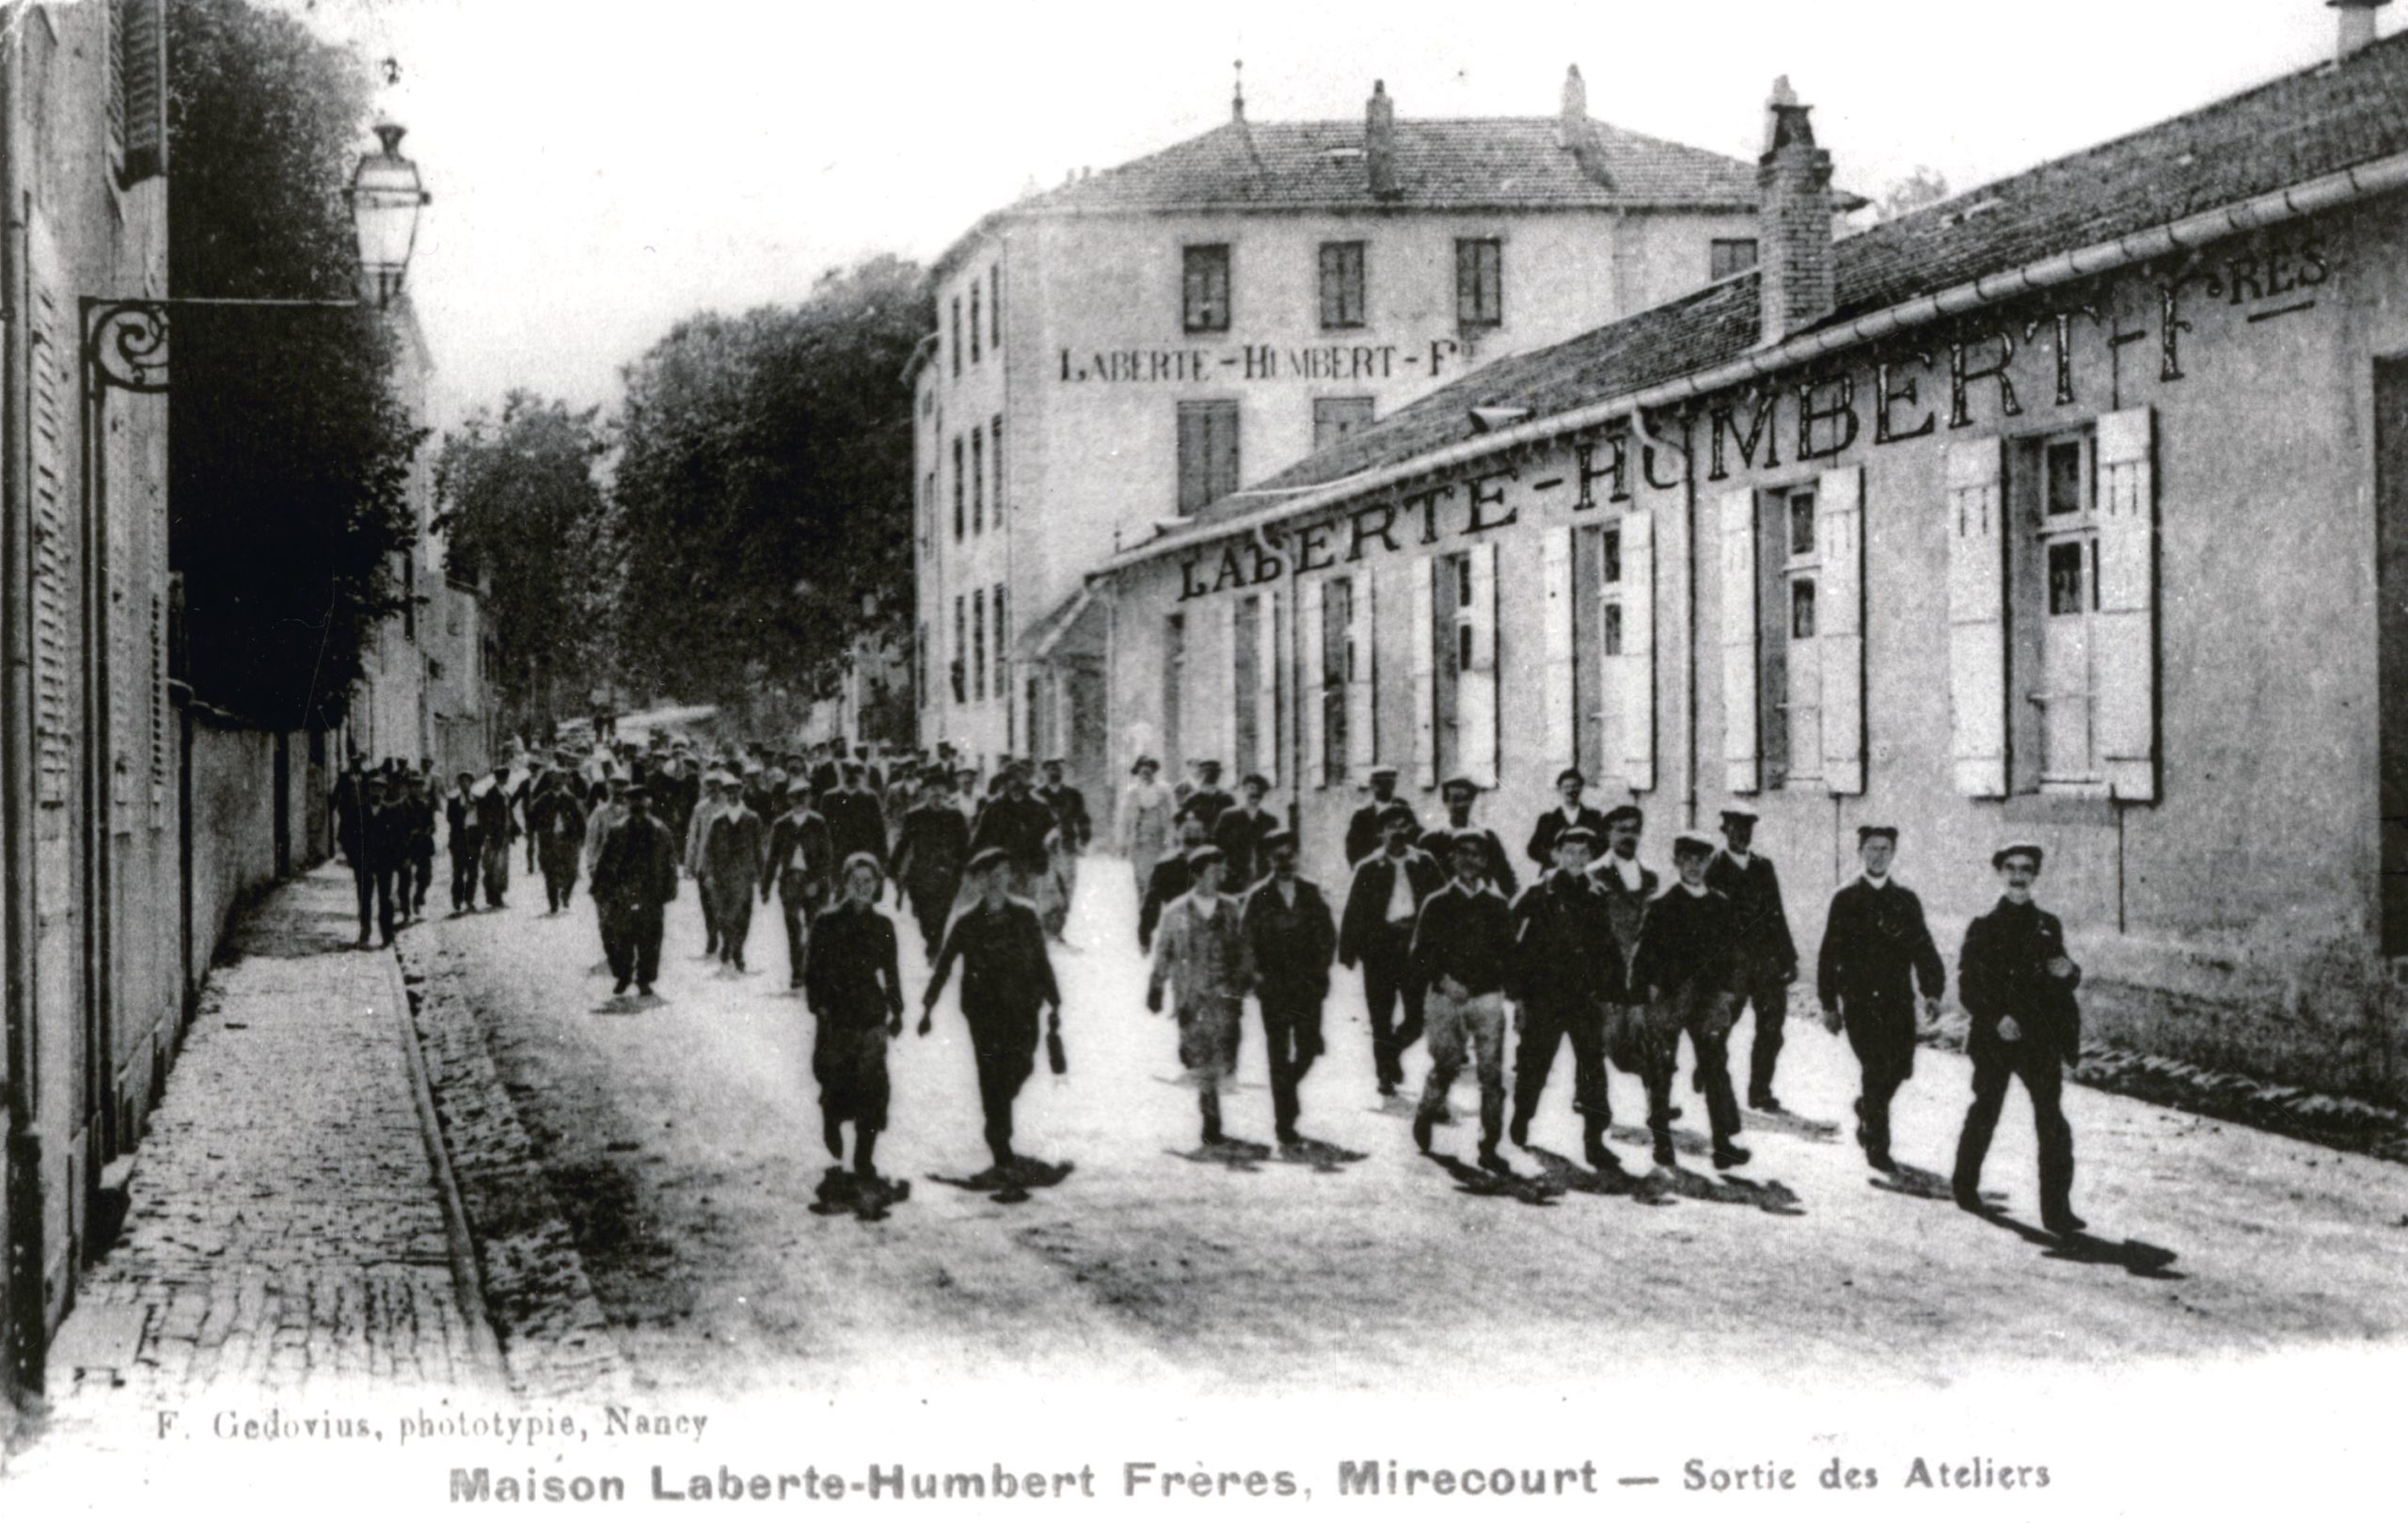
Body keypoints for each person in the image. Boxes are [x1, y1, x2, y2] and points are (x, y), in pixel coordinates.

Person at [1953, 844, 2085, 1233]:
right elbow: (1967, 986)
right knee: (1986, 1111)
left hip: (2039, 1038)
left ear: (2035, 875)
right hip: (1995, 1039)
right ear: (1999, 873)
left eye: (2026, 869)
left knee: (2052, 1123)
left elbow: (2062, 976)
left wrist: (2070, 971)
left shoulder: (2048, 924)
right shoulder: (1983, 926)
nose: (2017, 875)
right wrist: (1996, 1018)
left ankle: (2057, 1212)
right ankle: (1964, 1187)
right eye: (2010, 868)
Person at [921, 847, 1062, 1173]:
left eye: (1001, 875)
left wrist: (1055, 1001)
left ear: (1009, 877)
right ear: (979, 882)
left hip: (1023, 1007)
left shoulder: (1026, 916)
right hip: (983, 1011)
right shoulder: (967, 921)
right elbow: (944, 965)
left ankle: (999, 1114)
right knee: (990, 1075)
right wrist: (928, 1007)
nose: (996, 883)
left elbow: (1041, 960)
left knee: (1021, 1065)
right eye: (989, 877)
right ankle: (1000, 1139)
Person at [1816, 825, 1945, 1173]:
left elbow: (1923, 947)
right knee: (1875, 1068)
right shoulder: (1845, 899)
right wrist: (1829, 1004)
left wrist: (1932, 991)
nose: (1878, 855)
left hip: (1897, 1001)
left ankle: (1867, 1109)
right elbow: (1829, 954)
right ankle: (1878, 1144)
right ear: (1860, 852)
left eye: (1884, 849)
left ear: (1893, 853)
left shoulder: (1905, 900)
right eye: (1871, 848)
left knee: (1900, 1067)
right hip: (1859, 1002)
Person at [1632, 833, 1749, 1170]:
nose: (1695, 867)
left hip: (1708, 999)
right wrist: (1645, 995)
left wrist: (1728, 994)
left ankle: (1723, 1146)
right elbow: (1642, 956)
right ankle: (1662, 1141)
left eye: (1701, 860)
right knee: (1662, 1068)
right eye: (1688, 860)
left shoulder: (1721, 904)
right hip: (1670, 997)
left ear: (1709, 863)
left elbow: (1733, 955)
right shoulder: (1661, 904)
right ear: (1677, 863)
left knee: (1713, 1067)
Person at [1507, 824, 1622, 1170]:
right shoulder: (1538, 891)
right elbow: (1510, 939)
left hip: (1584, 998)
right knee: (1534, 1065)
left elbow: (1607, 948)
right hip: (1543, 996)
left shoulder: (1597, 893)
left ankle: (1594, 1141)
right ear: (1556, 854)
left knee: (1592, 1069)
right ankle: (1521, 1119)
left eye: (1583, 852)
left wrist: (1614, 993)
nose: (1576, 858)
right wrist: (1518, 996)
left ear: (1590, 856)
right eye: (1569, 851)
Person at [1407, 833, 1516, 1168]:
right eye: (1463, 854)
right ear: (1452, 859)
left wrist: (1506, 991)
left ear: (1486, 861)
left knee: (1491, 1073)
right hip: (1446, 998)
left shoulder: (1497, 905)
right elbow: (1419, 956)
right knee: (1446, 1064)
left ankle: (1490, 1142)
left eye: (1478, 855)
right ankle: (1426, 1114)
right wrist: (1443, 980)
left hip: (1486, 999)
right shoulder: (1437, 902)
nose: (1471, 861)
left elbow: (1509, 955)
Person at [804, 854, 907, 1182]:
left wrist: (898, 1010)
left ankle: (864, 1157)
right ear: (845, 883)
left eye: (869, 882)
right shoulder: (826, 921)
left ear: (877, 886)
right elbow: (813, 971)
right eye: (856, 881)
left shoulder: (883, 926)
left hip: (871, 1014)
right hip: (836, 1016)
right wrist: (818, 1006)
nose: (863, 887)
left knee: (874, 1089)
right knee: (836, 1083)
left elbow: (891, 974)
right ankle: (831, 1123)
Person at [1147, 844, 1255, 1147]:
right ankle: (1211, 1118)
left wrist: (1245, 981)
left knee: (1224, 1054)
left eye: (1221, 871)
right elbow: (1164, 951)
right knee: (1199, 1054)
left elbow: (1244, 949)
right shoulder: (1176, 911)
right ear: (1196, 875)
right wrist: (1155, 986)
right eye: (1211, 871)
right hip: (1191, 998)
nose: (1218, 877)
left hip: (1225, 997)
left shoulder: (1231, 908)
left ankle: (1212, 1108)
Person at [1337, 803, 1445, 1099]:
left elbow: (1443, 904)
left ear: (1409, 829)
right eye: (1390, 826)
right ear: (1380, 833)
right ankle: (1384, 1074)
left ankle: (1391, 1054)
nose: (1397, 832)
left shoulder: (1424, 862)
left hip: (1415, 948)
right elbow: (1353, 911)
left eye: (1402, 825)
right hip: (1380, 950)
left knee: (1416, 1019)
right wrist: (1347, 951)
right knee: (1380, 1016)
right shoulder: (1368, 867)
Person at [1240, 829, 1335, 1147]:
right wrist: (1256, 975)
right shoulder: (1258, 896)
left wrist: (1322, 967)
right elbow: (1247, 940)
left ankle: (1287, 1091)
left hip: (1308, 983)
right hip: (1275, 986)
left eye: (1289, 856)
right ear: (1268, 860)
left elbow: (1327, 934)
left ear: (1297, 857)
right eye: (1277, 857)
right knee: (1278, 1053)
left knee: (1308, 1049)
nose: (1284, 863)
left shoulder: (1310, 891)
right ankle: (1284, 1121)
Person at [1706, 809, 1800, 1113]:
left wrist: (1788, 958)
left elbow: (1777, 913)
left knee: (1772, 1028)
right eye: (1736, 829)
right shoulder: (1714, 868)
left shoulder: (1764, 867)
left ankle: (1760, 1091)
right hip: (1731, 964)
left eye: (1747, 830)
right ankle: (1708, 1070)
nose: (1742, 835)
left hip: (1766, 962)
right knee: (1722, 1023)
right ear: (1725, 830)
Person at [1589, 802, 1657, 1098]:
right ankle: (1587, 1098)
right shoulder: (1594, 874)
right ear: (1608, 833)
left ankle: (1657, 1103)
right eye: (1622, 830)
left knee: (1646, 1039)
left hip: (1639, 971)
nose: (1629, 836)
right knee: (1603, 1043)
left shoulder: (1650, 878)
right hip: (1605, 972)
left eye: (1634, 830)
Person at [592, 785, 679, 997]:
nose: (637, 805)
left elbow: (670, 862)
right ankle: (623, 975)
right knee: (621, 937)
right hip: (623, 891)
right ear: (627, 804)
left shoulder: (660, 830)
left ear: (647, 803)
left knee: (650, 938)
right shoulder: (617, 829)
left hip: (651, 892)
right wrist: (600, 888)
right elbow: (604, 861)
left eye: (640, 800)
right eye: (632, 801)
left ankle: (644, 979)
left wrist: (669, 889)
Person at [761, 785, 836, 991]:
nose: (800, 801)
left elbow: (827, 858)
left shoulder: (818, 823)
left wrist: (818, 882)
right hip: (790, 883)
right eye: (796, 797)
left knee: (815, 928)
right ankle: (797, 971)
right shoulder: (781, 825)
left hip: (815, 883)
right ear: (789, 800)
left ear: (810, 799)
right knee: (793, 930)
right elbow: (772, 858)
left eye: (804, 797)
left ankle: (812, 970)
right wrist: (765, 887)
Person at [889, 771, 971, 958]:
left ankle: (935, 947)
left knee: (942, 913)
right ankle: (931, 940)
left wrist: (964, 868)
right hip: (920, 875)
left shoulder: (956, 816)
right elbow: (903, 844)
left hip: (947, 875)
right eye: (933, 794)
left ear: (946, 795)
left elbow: (964, 846)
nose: (937, 799)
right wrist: (892, 869)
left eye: (941, 795)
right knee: (923, 915)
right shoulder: (914, 815)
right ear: (925, 794)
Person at [699, 773, 768, 973]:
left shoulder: (752, 819)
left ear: (742, 791)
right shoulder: (717, 820)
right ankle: (728, 942)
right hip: (721, 876)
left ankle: (737, 949)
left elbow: (758, 850)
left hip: (744, 876)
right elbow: (708, 850)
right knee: (722, 915)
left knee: (743, 916)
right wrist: (708, 874)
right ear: (724, 794)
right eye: (728, 792)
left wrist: (762, 877)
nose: (732, 795)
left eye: (736, 791)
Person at [968, 764, 1056, 907]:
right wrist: (971, 865)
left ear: (1026, 783)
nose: (1015, 785)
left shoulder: (1039, 807)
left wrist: (1051, 839)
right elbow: (980, 839)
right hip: (1003, 869)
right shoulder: (994, 808)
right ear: (1004, 783)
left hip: (1032, 867)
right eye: (1010, 780)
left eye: (1019, 780)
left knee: (1030, 908)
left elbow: (1052, 829)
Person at [1422, 776, 1518, 899]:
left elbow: (1506, 879)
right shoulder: (1431, 841)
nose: (1461, 805)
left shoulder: (1488, 837)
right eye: (1456, 799)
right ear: (1446, 802)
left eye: (1466, 799)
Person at [1137, 812, 1210, 953]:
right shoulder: (1166, 866)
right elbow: (1152, 904)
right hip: (1179, 930)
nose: (1193, 837)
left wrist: (1144, 937)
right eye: (1189, 834)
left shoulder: (1214, 864)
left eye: (1196, 833)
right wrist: (1145, 935)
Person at [1036, 758, 1091, 939]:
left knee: (1067, 886)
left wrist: (1084, 837)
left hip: (1067, 845)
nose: (1054, 773)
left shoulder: (1073, 795)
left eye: (1057, 769)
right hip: (1044, 848)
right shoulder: (1037, 795)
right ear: (1043, 772)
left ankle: (1060, 924)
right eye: (1050, 769)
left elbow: (1082, 818)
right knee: (1048, 886)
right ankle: (1048, 927)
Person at [685, 773, 732, 958]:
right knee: (708, 904)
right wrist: (689, 864)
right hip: (704, 864)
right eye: (709, 786)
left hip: (725, 863)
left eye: (717, 786)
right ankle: (712, 937)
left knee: (726, 904)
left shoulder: (729, 806)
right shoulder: (700, 809)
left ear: (722, 787)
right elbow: (692, 837)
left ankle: (727, 940)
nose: (713, 789)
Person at [529, 773, 589, 914]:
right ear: (550, 782)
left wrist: (582, 836)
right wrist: (533, 833)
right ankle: (553, 904)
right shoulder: (543, 799)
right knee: (550, 873)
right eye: (555, 780)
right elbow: (532, 818)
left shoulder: (569, 798)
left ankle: (566, 894)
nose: (558, 783)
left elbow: (579, 818)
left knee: (572, 871)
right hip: (548, 840)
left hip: (567, 839)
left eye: (560, 780)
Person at [1525, 768, 1610, 867]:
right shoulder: (1547, 820)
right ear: (1559, 790)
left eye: (1575, 786)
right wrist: (1552, 856)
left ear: (1581, 788)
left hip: (1586, 870)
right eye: (1566, 787)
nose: (1571, 790)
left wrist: (1589, 856)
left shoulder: (1594, 816)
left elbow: (1605, 845)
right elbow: (1533, 849)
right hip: (1556, 872)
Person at [1117, 756, 1175, 902]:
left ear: (1153, 772)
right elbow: (1124, 820)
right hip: (1138, 844)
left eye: (1149, 771)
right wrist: (1122, 843)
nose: (1145, 774)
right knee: (1140, 880)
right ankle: (1142, 910)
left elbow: (1171, 818)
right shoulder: (1132, 793)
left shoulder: (1164, 791)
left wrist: (1170, 842)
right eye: (1142, 771)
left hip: (1158, 843)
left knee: (1157, 877)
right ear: (1138, 773)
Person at [1212, 773, 1280, 889]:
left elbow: (1274, 851)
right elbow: (1216, 846)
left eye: (1260, 790)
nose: (1255, 793)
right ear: (1244, 790)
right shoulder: (1228, 816)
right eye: (1252, 788)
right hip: (1233, 877)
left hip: (1261, 877)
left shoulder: (1270, 821)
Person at [362, 773, 406, 948]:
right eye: (374, 788)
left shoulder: (390, 812)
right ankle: (364, 933)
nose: (377, 792)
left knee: (385, 899)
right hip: (365, 861)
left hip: (384, 863)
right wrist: (354, 858)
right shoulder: (360, 811)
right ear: (369, 790)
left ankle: (386, 936)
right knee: (365, 898)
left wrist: (399, 859)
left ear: (385, 792)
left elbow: (399, 838)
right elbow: (348, 836)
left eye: (380, 789)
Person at [335, 756, 374, 944]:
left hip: (370, 836)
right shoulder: (344, 779)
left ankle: (371, 922)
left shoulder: (368, 779)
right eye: (353, 762)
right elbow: (335, 800)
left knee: (369, 882)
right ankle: (365, 922)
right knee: (363, 880)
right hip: (353, 834)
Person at [1343, 766, 1415, 866]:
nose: (1383, 788)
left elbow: (1415, 836)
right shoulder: (1362, 816)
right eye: (1379, 783)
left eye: (1388, 783)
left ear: (1393, 785)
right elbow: (1352, 848)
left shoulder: (1404, 810)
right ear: (1372, 785)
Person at [475, 765, 517, 910]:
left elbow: (509, 814)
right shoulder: (492, 794)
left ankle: (496, 896)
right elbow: (487, 817)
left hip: (504, 835)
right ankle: (494, 897)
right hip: (495, 836)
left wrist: (515, 829)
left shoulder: (504, 793)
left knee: (501, 867)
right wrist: (490, 833)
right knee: (493, 866)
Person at [401, 772, 438, 922]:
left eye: (419, 787)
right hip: (407, 846)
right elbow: (398, 826)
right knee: (405, 879)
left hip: (423, 845)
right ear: (409, 788)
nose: (417, 790)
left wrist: (430, 828)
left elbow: (432, 823)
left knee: (425, 877)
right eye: (413, 787)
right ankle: (405, 911)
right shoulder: (403, 805)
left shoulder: (426, 804)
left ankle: (418, 899)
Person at [445, 770, 483, 916]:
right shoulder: (453, 801)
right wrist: (463, 811)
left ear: (471, 783)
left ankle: (470, 899)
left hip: (473, 839)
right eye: (462, 781)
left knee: (473, 871)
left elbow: (482, 819)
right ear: (459, 784)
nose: (464, 784)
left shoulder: (478, 800)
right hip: (459, 840)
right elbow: (450, 819)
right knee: (458, 871)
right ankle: (457, 899)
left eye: (467, 781)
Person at [1183, 759, 1235, 833]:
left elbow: (1234, 821)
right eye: (1207, 774)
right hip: (1199, 840)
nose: (1209, 777)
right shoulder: (1193, 797)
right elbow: (1179, 819)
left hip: (1221, 839)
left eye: (1214, 774)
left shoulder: (1226, 797)